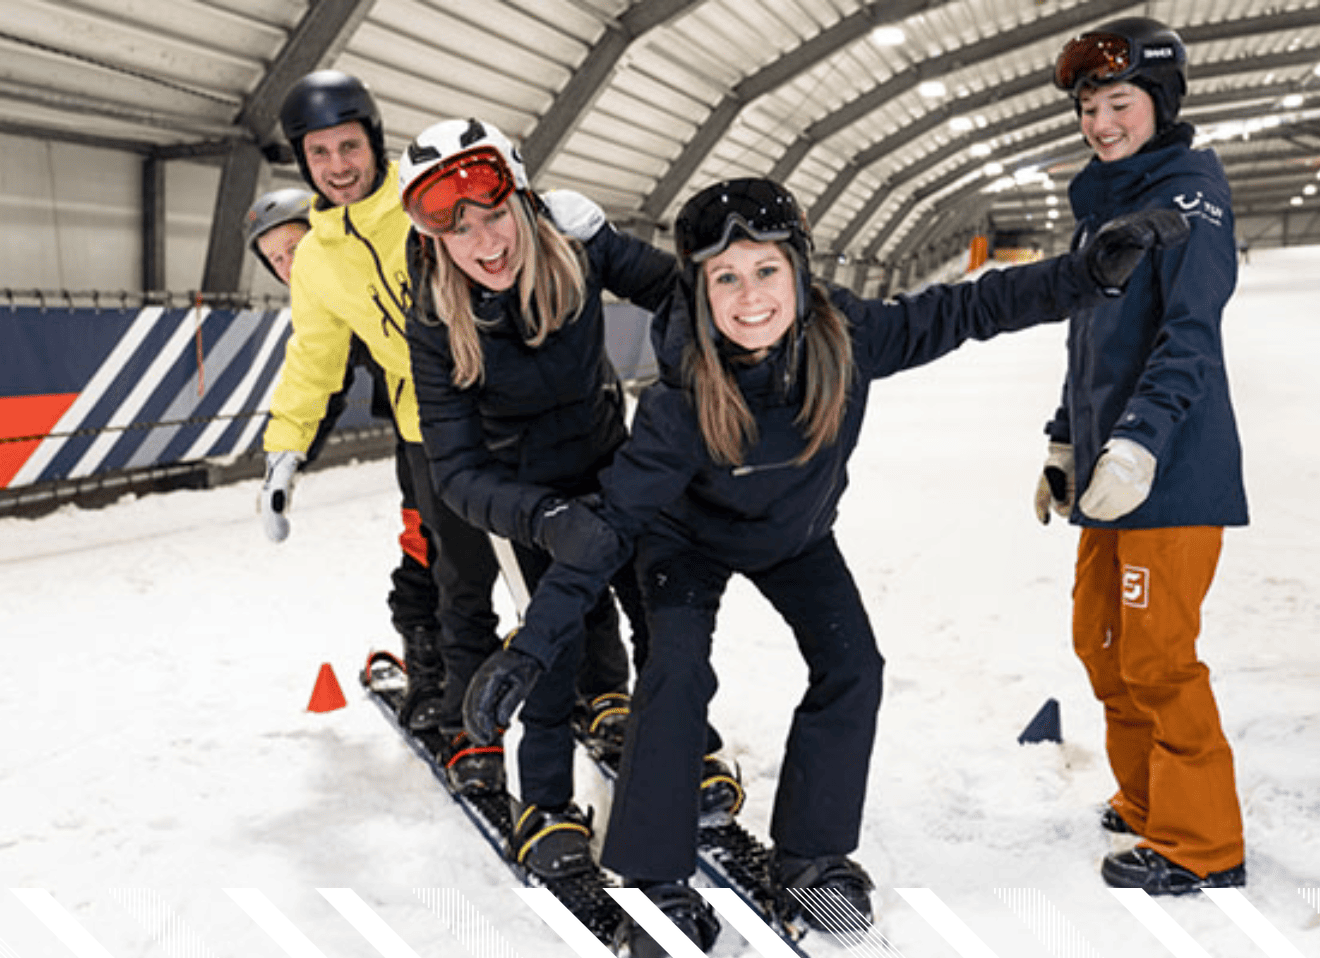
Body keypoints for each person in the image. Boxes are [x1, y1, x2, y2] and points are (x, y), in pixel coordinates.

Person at [463, 176, 1186, 952]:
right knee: (675, 675)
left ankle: (813, 856)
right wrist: (530, 647)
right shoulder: (681, 399)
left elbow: (973, 308)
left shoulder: (850, 334)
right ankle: (652, 882)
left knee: (853, 669)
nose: (749, 298)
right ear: (700, 289)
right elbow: (606, 531)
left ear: (800, 271)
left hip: (795, 537)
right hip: (687, 544)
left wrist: (1085, 273)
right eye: (726, 278)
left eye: (766, 271)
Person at [399, 117, 738, 880]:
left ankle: (686, 746)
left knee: (663, 613)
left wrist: (687, 389)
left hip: (611, 469)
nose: (487, 244)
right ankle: (546, 803)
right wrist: (544, 519)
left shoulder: (577, 248)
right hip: (521, 501)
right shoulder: (432, 319)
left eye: (495, 216)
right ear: (433, 241)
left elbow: (682, 295)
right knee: (547, 647)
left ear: (522, 199)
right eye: (461, 232)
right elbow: (452, 470)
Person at [1038, 17, 1247, 894]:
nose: (1100, 123)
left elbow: (1189, 339)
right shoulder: (1108, 203)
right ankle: (1149, 797)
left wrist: (1135, 445)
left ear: (1159, 104)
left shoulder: (1188, 198)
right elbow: (1092, 341)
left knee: (1159, 657)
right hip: (1107, 472)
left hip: (1170, 472)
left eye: (1118, 103)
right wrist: (1064, 436)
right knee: (1103, 644)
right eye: (1089, 108)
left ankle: (1204, 846)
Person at [256, 71, 504, 778]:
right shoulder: (319, 259)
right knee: (458, 576)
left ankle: (592, 692)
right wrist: (284, 453)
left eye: (348, 146)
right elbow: (313, 358)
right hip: (430, 429)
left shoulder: (423, 197)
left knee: (555, 559)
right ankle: (469, 714)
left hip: (509, 406)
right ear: (304, 162)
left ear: (374, 141)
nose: (337, 166)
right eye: (320, 154)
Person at [244, 187, 450, 701]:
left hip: (468, 415)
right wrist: (289, 459)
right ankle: (429, 667)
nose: (288, 266)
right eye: (275, 261)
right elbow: (320, 382)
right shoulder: (323, 303)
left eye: (293, 249)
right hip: (416, 438)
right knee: (424, 543)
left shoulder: (385, 267)